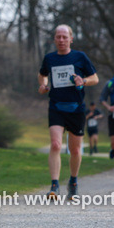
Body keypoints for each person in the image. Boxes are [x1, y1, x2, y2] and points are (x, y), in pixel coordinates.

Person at [38, 25, 98, 201]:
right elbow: (42, 75)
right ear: (54, 39)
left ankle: (73, 182)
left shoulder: (80, 57)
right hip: (56, 106)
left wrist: (83, 80)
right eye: (58, 37)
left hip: (76, 108)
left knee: (75, 149)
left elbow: (95, 78)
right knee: (56, 144)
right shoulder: (49, 58)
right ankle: (54, 185)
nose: (61, 40)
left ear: (71, 39)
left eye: (65, 37)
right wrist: (43, 85)